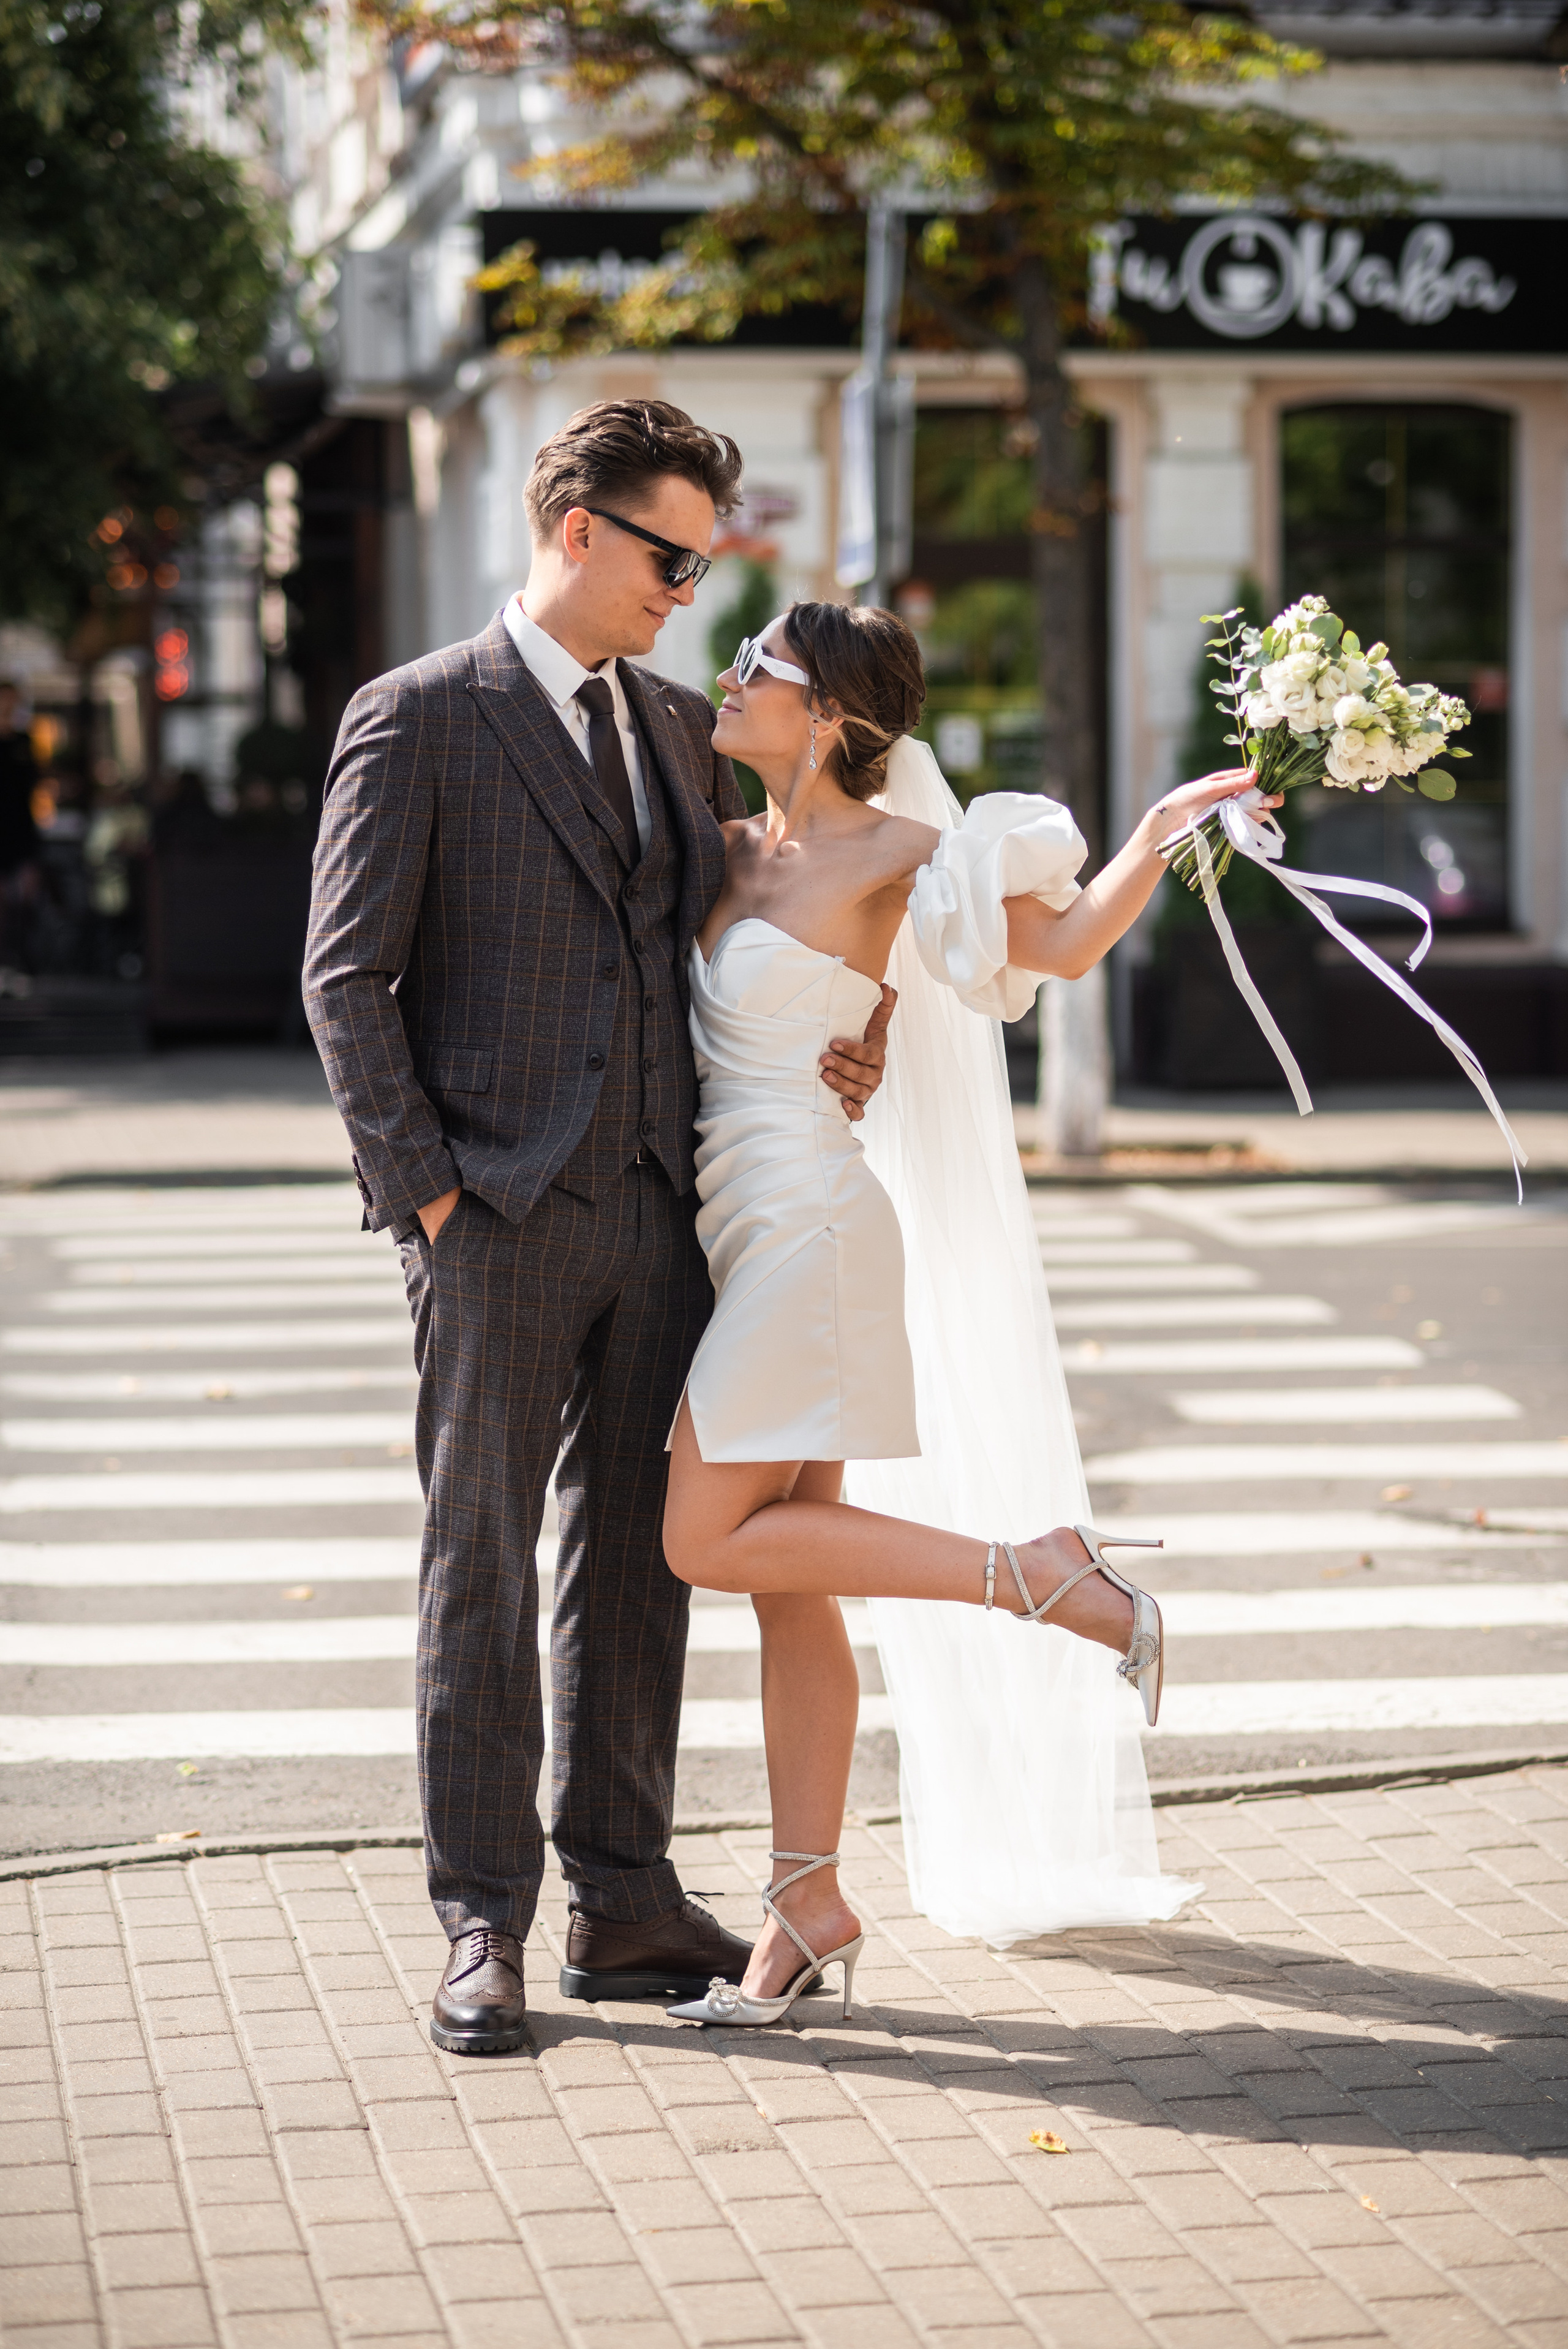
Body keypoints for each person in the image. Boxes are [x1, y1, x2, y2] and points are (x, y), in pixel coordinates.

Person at [303, 402, 891, 2056]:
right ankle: (480, 1917)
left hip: (662, 1205)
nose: (689, 590)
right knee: (479, 1564)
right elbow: (346, 979)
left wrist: (873, 1017)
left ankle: (621, 1894)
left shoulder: (681, 720)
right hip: (492, 1211)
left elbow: (786, 884)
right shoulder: (415, 718)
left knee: (639, 1567)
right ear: (576, 529)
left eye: (707, 560)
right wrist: (429, 1197)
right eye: (668, 555)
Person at [657, 602, 1275, 2028]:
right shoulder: (722, 842)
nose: (732, 675)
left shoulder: (908, 851)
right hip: (726, 1219)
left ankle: (1038, 1570)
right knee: (783, 1580)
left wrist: (1159, 827)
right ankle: (805, 1903)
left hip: (810, 1225)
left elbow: (1051, 948)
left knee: (701, 1534)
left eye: (763, 664)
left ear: (830, 718)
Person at [0, 681, 42, 976]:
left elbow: (33, 782)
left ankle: (19, 962)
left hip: (21, 831)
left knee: (23, 903)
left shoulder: (24, 742)